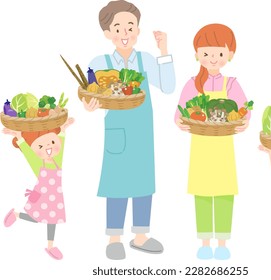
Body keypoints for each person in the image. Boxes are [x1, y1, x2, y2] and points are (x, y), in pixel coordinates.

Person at [82, 0, 175, 260]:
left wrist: (164, 50)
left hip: (143, 130)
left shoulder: (145, 60)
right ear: (107, 33)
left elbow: (167, 87)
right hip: (117, 129)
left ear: (138, 30)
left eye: (130, 26)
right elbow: (91, 94)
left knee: (144, 182)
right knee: (117, 183)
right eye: (118, 27)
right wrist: (89, 105)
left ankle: (141, 235)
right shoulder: (99, 62)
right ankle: (114, 238)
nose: (125, 32)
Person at [174, 24, 250, 260]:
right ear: (197, 54)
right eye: (206, 53)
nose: (213, 59)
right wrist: (182, 122)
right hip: (201, 147)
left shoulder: (232, 84)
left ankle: (223, 242)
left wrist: (244, 121)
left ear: (230, 55)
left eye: (219, 53)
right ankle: (205, 242)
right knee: (203, 195)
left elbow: (244, 111)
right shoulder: (192, 84)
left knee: (225, 194)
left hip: (224, 148)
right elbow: (178, 115)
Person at [2, 118, 74, 260]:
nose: (49, 146)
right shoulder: (38, 164)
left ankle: (50, 246)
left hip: (56, 198)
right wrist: (19, 138)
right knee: (37, 219)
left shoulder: (57, 160)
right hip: (42, 197)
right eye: (41, 146)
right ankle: (16, 215)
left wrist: (63, 130)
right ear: (36, 150)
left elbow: (62, 145)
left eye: (52, 142)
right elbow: (29, 154)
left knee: (52, 221)